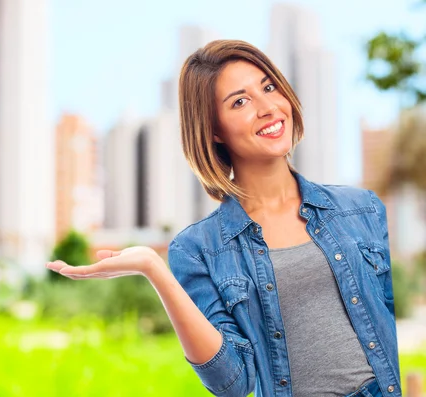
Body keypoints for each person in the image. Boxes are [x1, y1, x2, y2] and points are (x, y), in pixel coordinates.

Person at [46, 40, 401, 397]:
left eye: (268, 87)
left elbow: (386, 337)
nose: (267, 108)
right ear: (214, 129)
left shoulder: (362, 209)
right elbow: (232, 384)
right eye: (240, 102)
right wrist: (154, 270)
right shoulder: (199, 249)